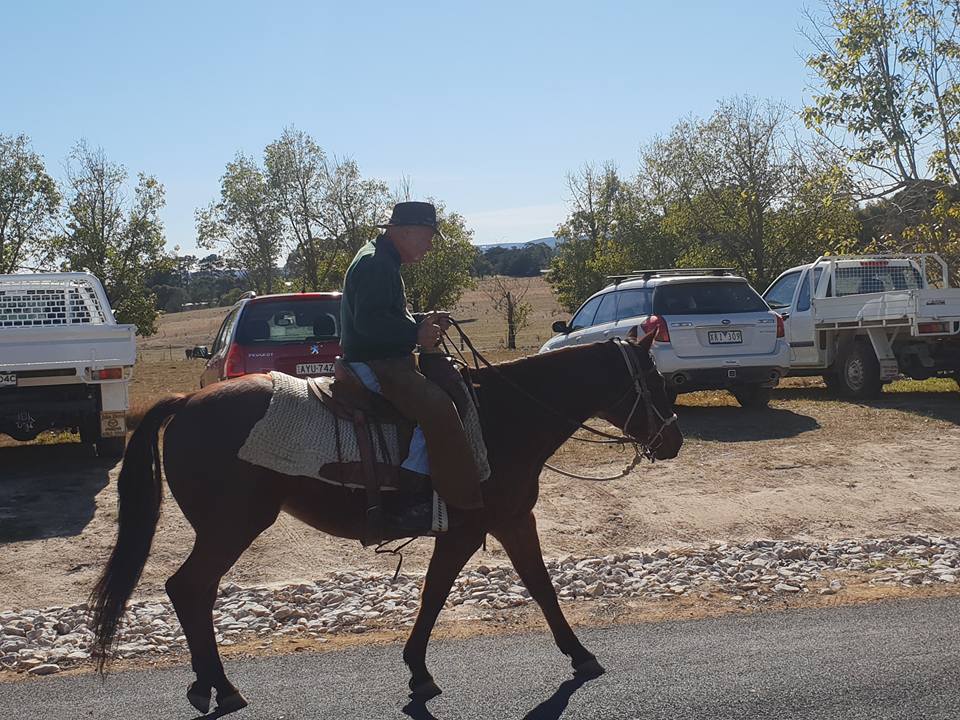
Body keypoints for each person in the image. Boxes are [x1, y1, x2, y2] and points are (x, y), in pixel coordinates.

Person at [340, 201, 484, 535]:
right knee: (440, 407)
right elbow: (369, 324)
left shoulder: (382, 258)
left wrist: (419, 321)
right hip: (375, 364)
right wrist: (414, 333)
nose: (431, 245)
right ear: (404, 232)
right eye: (427, 236)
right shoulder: (376, 264)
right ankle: (410, 500)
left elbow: (382, 316)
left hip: (382, 357)